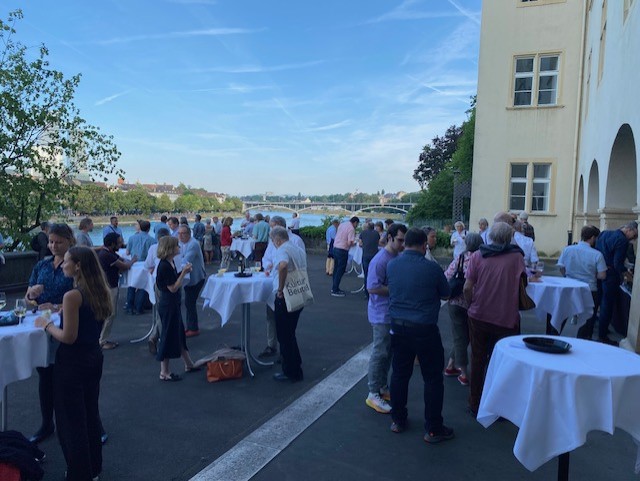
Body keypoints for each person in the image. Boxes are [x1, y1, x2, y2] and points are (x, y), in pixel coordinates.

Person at [35, 246, 112, 481]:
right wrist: (58, 308)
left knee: (70, 422)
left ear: (77, 265)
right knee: (89, 415)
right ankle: (93, 469)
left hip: (72, 363)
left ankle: (79, 473)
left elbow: (68, 336)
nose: (62, 264)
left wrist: (46, 325)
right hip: (93, 358)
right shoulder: (99, 291)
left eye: (66, 261)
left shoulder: (73, 295)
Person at [386, 228, 453, 443]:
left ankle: (398, 419)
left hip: (398, 326)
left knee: (399, 374)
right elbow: (445, 293)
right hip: (424, 328)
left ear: (405, 243)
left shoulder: (392, 265)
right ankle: (433, 427)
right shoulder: (432, 268)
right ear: (424, 245)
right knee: (432, 378)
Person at [463, 222, 525, 415]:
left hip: (479, 314)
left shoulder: (477, 255)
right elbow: (523, 283)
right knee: (502, 363)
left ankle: (475, 403)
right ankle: (498, 405)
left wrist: (470, 304)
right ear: (509, 238)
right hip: (506, 317)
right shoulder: (517, 257)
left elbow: (467, 287)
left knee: (478, 359)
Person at [25, 223, 75, 444]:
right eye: (51, 241)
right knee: (45, 377)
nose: (53, 246)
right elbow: (27, 300)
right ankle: (47, 424)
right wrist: (32, 296)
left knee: (69, 380)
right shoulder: (42, 266)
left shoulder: (75, 265)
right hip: (43, 327)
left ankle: (85, 425)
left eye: (59, 242)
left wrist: (57, 307)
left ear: (69, 241)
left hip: (66, 327)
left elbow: (82, 296)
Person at [365, 223, 407, 414]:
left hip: (390, 312)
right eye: (399, 240)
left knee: (387, 352)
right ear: (389, 237)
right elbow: (372, 287)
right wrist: (396, 289)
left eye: (404, 240)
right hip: (381, 313)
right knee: (380, 352)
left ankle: (381, 387)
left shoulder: (395, 256)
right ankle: (373, 392)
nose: (403, 244)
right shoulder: (380, 260)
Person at [258, 216, 306, 358]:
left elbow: (287, 265)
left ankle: (287, 358)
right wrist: (269, 265)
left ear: (279, 227)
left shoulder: (294, 241)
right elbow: (267, 258)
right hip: (282, 283)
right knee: (273, 318)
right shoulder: (277, 242)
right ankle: (273, 346)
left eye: (272, 227)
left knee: (286, 327)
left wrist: (279, 287)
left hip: (285, 287)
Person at [155, 236, 199, 381]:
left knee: (179, 333)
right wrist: (184, 273)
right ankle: (164, 371)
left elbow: (174, 282)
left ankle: (189, 363)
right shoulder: (164, 266)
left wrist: (182, 272)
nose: (179, 247)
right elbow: (173, 287)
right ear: (170, 249)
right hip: (168, 304)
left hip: (172, 303)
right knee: (168, 336)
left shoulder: (170, 262)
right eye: (176, 246)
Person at [443, 233, 483, 386]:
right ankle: (463, 373)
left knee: (462, 336)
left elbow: (447, 276)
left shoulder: (460, 258)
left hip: (456, 302)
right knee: (464, 337)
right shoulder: (482, 259)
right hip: (474, 303)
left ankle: (451, 366)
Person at [269, 226, 307, 382]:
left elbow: (283, 265)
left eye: (273, 241)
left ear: (277, 239)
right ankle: (295, 365)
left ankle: (291, 371)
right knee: (290, 333)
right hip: (298, 292)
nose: (273, 244)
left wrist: (279, 288)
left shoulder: (282, 250)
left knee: (284, 335)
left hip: (285, 295)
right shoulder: (297, 249)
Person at [557, 225, 607, 340]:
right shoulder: (597, 254)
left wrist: (567, 275)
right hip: (589, 289)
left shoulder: (568, 249)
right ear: (593, 238)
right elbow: (602, 275)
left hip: (569, 286)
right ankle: (583, 339)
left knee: (562, 313)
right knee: (587, 318)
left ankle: (556, 335)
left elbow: (561, 267)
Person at [595, 221, 638, 345]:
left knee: (598, 300)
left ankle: (595, 329)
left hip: (599, 271)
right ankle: (602, 335)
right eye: (634, 235)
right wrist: (627, 274)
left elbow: (598, 252)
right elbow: (617, 263)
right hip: (611, 275)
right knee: (607, 305)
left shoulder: (605, 233)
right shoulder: (622, 241)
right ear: (629, 229)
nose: (634, 239)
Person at [98, 233, 136, 350]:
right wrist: (133, 260)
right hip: (109, 287)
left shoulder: (108, 253)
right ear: (112, 243)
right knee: (110, 314)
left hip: (107, 286)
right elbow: (125, 265)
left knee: (107, 314)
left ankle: (101, 338)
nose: (121, 244)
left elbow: (120, 259)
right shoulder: (107, 255)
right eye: (119, 242)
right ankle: (102, 341)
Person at [145, 228, 170, 354]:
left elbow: (147, 264)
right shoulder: (173, 248)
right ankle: (159, 338)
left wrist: (152, 269)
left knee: (162, 310)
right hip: (170, 283)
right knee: (167, 312)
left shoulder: (153, 248)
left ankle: (156, 336)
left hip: (157, 281)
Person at [178, 225, 207, 337]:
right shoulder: (180, 243)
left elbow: (186, 260)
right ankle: (190, 326)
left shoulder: (193, 244)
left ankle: (193, 328)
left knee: (189, 302)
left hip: (196, 277)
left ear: (189, 234)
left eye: (183, 233)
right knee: (189, 302)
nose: (180, 236)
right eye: (179, 233)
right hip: (187, 278)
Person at [125, 220, 156, 315]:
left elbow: (127, 252)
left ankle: (129, 306)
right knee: (143, 285)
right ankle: (139, 307)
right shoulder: (152, 240)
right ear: (149, 228)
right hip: (145, 264)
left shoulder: (132, 238)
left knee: (131, 285)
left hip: (134, 264)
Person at [331, 216, 360, 297]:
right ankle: (335, 289)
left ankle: (334, 287)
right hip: (343, 250)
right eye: (357, 224)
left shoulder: (342, 224)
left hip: (335, 247)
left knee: (336, 269)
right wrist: (355, 242)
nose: (356, 226)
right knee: (341, 270)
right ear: (355, 222)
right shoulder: (351, 229)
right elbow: (350, 242)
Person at [359, 222, 381, 298]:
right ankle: (373, 290)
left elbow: (360, 244)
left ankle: (366, 293)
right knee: (374, 274)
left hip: (365, 255)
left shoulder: (363, 233)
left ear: (367, 227)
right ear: (373, 227)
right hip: (374, 255)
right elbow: (378, 242)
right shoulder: (376, 234)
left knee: (366, 274)